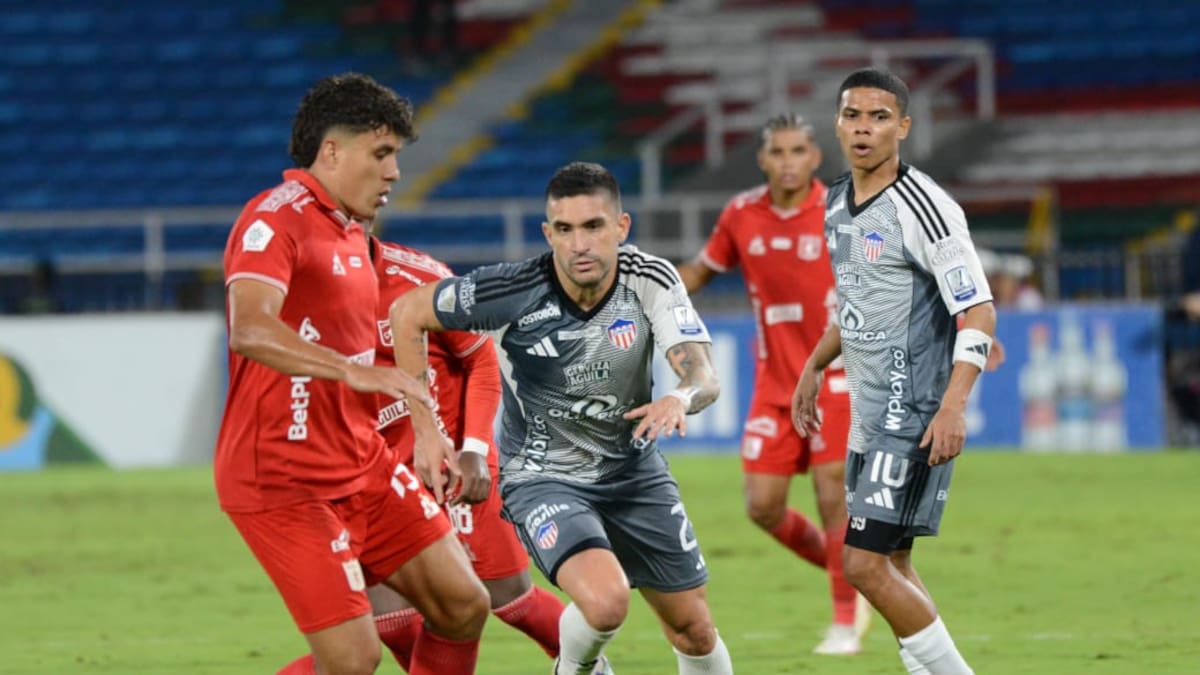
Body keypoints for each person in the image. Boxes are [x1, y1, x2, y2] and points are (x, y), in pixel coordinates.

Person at [389, 162, 735, 675]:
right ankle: (570, 670)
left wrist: (679, 398)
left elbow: (703, 375)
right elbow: (407, 313)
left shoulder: (651, 280)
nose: (580, 245)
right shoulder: (512, 289)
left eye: (593, 227)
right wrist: (427, 430)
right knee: (606, 602)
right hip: (545, 478)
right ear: (548, 234)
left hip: (635, 476)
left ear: (621, 228)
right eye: (565, 230)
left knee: (694, 628)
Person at [213, 72, 489, 675]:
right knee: (354, 660)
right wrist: (351, 373)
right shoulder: (273, 219)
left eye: (396, 157)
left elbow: (406, 343)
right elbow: (250, 329)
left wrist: (426, 427)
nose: (394, 172)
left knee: (464, 604)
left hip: (361, 463)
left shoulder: (352, 236)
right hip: (284, 481)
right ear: (332, 151)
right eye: (382, 154)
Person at [792, 68, 995, 675]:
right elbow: (857, 299)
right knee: (894, 562)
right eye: (853, 115)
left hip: (915, 409)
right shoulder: (833, 202)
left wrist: (953, 405)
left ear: (903, 127)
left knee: (862, 564)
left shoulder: (926, 207)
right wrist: (813, 365)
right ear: (837, 122)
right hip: (867, 413)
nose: (863, 128)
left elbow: (978, 311)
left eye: (879, 117)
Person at [676, 114, 869, 655]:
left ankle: (844, 619)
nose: (788, 161)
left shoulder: (841, 209)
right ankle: (860, 575)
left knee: (834, 492)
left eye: (798, 151)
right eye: (777, 152)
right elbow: (699, 272)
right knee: (762, 507)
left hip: (836, 376)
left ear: (815, 157)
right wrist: (649, 292)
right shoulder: (742, 214)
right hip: (773, 385)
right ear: (763, 160)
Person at [363, 235, 573, 670]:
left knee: (513, 601)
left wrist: (474, 449)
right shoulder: (312, 296)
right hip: (382, 479)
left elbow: (482, 361)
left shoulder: (419, 278)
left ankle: (589, 662)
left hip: (453, 467)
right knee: (394, 623)